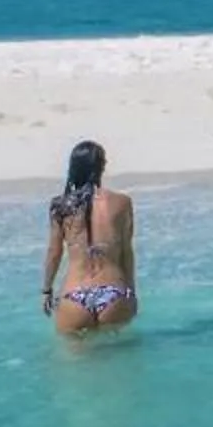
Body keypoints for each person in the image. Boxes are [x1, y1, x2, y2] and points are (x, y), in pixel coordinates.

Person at [40, 139, 139, 333]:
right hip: (115, 293)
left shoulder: (61, 205)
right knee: (118, 351)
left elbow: (54, 252)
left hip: (74, 296)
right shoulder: (122, 202)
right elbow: (126, 252)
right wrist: (131, 292)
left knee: (73, 352)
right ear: (102, 167)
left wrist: (47, 290)